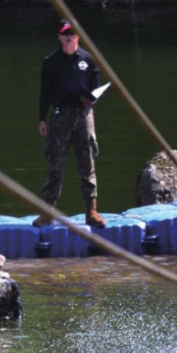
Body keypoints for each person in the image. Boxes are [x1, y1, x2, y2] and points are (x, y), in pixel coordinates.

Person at [37, 19, 105, 229]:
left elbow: (96, 88)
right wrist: (41, 118)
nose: (69, 37)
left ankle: (91, 211)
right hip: (59, 116)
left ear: (78, 36)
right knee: (55, 163)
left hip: (84, 115)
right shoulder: (51, 62)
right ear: (59, 37)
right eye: (65, 33)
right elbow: (45, 92)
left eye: (72, 33)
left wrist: (92, 99)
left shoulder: (88, 59)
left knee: (87, 163)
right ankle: (48, 211)